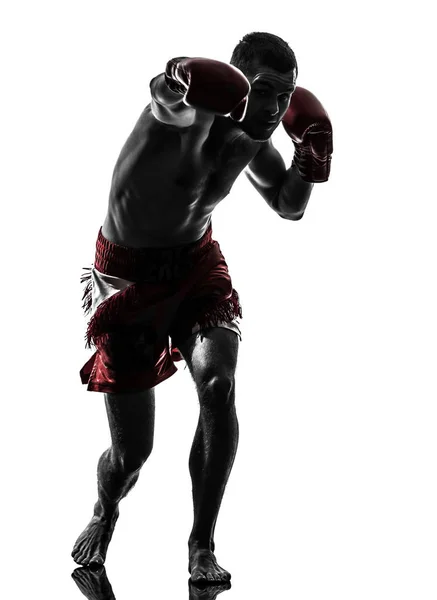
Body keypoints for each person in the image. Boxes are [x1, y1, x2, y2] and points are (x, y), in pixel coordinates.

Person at [72, 31, 333, 584]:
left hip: (196, 266)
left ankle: (201, 545)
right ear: (235, 86)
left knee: (218, 384)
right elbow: (166, 99)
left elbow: (290, 206)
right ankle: (105, 509)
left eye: (284, 100)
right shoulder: (182, 119)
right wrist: (175, 79)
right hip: (127, 278)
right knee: (131, 454)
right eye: (261, 92)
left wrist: (312, 153)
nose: (272, 110)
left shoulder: (250, 143)